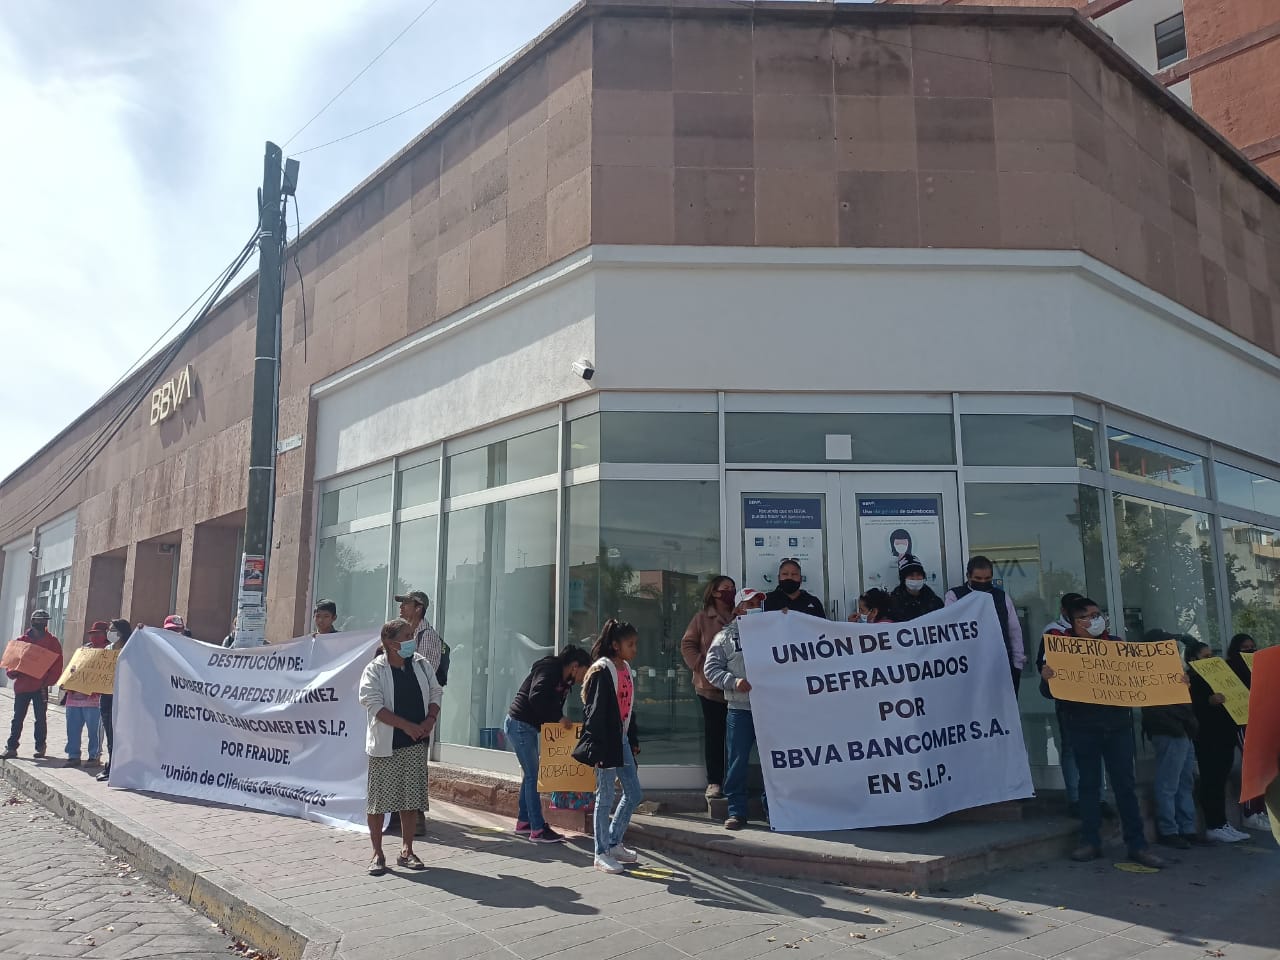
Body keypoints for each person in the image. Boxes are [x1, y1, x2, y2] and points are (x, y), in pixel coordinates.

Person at [1041, 596, 1166, 868]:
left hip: (1118, 727)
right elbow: (1049, 693)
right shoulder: (1063, 648)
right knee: (1089, 786)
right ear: (1074, 622)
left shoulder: (1116, 646)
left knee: (1124, 787)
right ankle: (1090, 841)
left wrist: (1174, 680)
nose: (1095, 620)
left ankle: (1137, 845)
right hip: (1083, 728)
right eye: (1087, 616)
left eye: (1097, 615)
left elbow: (1140, 679)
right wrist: (1047, 678)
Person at [358, 617, 442, 876]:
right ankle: (377, 853)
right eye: (407, 636)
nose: (411, 640)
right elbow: (373, 704)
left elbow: (436, 692)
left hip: (415, 743)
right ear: (391, 643)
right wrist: (406, 726)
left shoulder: (420, 664)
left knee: (410, 800)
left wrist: (430, 720)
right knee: (378, 803)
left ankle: (407, 850)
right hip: (387, 744)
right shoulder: (375, 669)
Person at [572, 619, 643, 874]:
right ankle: (601, 852)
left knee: (634, 793)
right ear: (615, 645)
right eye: (630, 644)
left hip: (620, 739)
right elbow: (595, 712)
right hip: (606, 742)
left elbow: (629, 708)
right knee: (605, 796)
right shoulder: (602, 670)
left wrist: (632, 739)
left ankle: (613, 842)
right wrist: (599, 747)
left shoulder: (626, 668)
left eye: (635, 644)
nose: (634, 649)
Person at [504, 644, 593, 843]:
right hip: (520, 725)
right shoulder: (550, 669)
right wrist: (558, 717)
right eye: (584, 673)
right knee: (533, 777)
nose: (584, 679)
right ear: (575, 666)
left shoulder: (565, 680)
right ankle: (537, 829)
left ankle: (524, 822)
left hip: (525, 727)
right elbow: (536, 696)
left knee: (530, 775)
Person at [703, 588, 767, 831]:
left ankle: (774, 809)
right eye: (750, 604)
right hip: (740, 709)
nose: (755, 608)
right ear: (739, 609)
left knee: (774, 762)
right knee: (737, 762)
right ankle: (736, 811)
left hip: (771, 709)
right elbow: (711, 670)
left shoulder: (774, 633)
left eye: (758, 604)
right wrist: (733, 682)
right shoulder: (725, 637)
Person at [1139, 630, 1202, 849]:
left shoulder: (1173, 669)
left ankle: (1187, 828)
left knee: (1185, 781)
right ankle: (1169, 830)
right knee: (1169, 782)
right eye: (1167, 645)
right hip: (1169, 730)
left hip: (1183, 729)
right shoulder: (1147, 672)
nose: (1172, 649)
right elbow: (1155, 708)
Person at [1184, 639, 1249, 843]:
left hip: (1225, 735)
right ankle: (1214, 825)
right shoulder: (1192, 680)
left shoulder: (1221, 676)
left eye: (1212, 655)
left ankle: (1222, 823)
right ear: (1193, 659)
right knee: (1211, 781)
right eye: (1206, 656)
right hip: (1207, 738)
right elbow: (1192, 707)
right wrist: (1209, 701)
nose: (1211, 660)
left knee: (1220, 780)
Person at [1036, 593, 1091, 817]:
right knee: (1070, 748)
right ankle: (1076, 799)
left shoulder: (1093, 631)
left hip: (1094, 698)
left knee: (1094, 749)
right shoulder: (1054, 632)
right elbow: (1043, 663)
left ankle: (1096, 797)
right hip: (1069, 701)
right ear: (1064, 611)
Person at [680, 575, 735, 800]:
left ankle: (734, 781)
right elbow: (687, 644)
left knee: (736, 738)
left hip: (737, 687)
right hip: (710, 688)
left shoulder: (741, 615)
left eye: (733, 588)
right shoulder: (702, 618)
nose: (730, 592)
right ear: (714, 592)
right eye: (726, 588)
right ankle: (714, 781)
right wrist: (701, 666)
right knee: (715, 736)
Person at [945, 556, 1025, 692]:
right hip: (968, 667)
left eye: (987, 579)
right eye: (978, 578)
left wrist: (1018, 663)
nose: (983, 582)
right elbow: (948, 629)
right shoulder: (954, 596)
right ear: (968, 576)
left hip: (1000, 666)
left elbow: (1014, 631)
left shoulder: (1002, 597)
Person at [3, 609, 64, 760]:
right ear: (32, 621)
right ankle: (11, 747)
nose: (42, 623)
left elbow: (57, 665)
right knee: (18, 718)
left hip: (40, 687)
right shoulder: (21, 641)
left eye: (44, 620)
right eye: (38, 620)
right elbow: (11, 664)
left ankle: (40, 747)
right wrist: (13, 672)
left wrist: (47, 681)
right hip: (22, 686)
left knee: (40, 718)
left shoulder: (53, 642)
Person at [64, 621, 110, 768]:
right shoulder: (83, 650)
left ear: (106, 635)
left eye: (98, 634)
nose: (94, 637)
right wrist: (68, 682)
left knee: (94, 731)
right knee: (72, 729)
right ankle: (73, 756)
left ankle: (94, 756)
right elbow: (72, 669)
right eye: (92, 634)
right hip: (74, 698)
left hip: (94, 700)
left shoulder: (109, 652)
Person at [97, 619, 132, 781]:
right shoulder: (107, 650)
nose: (109, 633)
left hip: (124, 699)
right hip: (107, 697)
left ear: (121, 632)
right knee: (110, 734)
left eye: (112, 630)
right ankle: (111, 766)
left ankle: (120, 767)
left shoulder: (131, 650)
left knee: (122, 735)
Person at [887, 554, 944, 622]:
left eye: (919, 574)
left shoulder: (934, 601)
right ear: (903, 579)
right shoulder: (892, 603)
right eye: (911, 575)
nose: (915, 578)